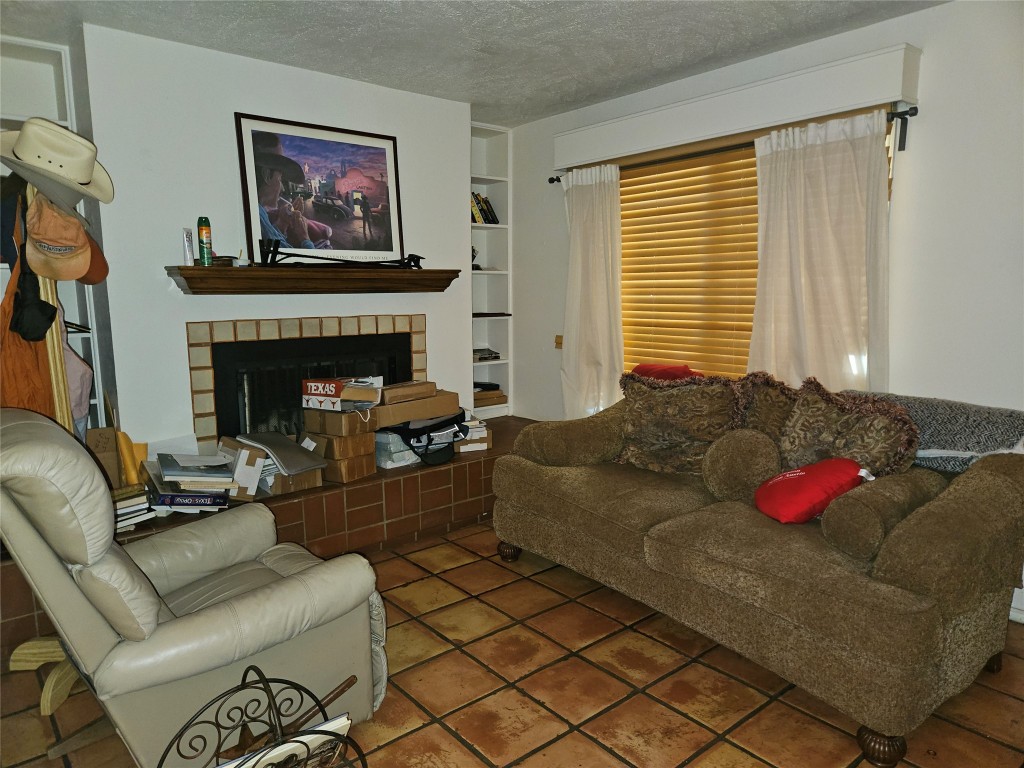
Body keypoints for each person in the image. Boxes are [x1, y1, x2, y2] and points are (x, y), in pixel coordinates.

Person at [252, 132, 331, 249]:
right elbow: (295, 262)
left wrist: (283, 222)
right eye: (279, 179)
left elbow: (273, 243)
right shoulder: (257, 214)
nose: (282, 188)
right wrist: (304, 237)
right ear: (267, 175)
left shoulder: (258, 211)